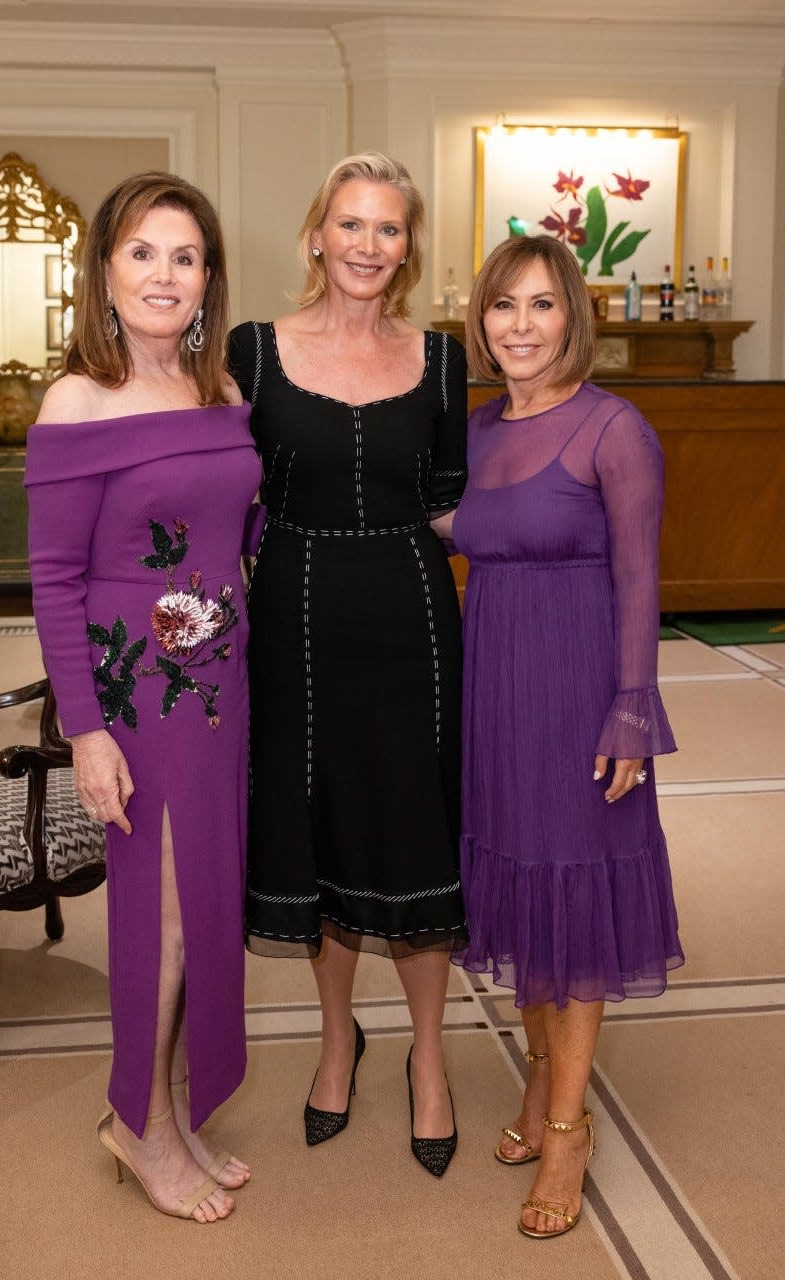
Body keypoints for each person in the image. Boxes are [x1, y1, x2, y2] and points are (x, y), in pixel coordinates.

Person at [24, 172, 262, 1222]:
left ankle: (167, 1100)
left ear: (207, 278)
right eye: (142, 253)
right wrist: (84, 729)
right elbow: (53, 579)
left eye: (185, 255)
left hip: (219, 687)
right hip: (135, 696)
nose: (164, 274)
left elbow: (236, 531)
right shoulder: (78, 396)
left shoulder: (219, 394)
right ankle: (138, 1124)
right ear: (105, 273)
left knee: (204, 909)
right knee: (162, 922)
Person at [228, 153, 467, 1176]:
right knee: (318, 822)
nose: (369, 245)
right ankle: (337, 1039)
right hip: (292, 612)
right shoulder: (251, 349)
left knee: (413, 826)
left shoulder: (446, 357)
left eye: (389, 228)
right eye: (351, 224)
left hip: (413, 609)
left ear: (408, 247)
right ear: (316, 234)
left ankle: (427, 1055)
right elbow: (218, 488)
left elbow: (456, 501)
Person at [453, 234, 683, 1237]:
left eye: (540, 305)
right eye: (503, 306)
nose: (519, 325)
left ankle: (567, 1125)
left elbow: (641, 578)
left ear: (571, 316)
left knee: (576, 896)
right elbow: (440, 526)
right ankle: (541, 1069)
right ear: (480, 320)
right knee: (518, 884)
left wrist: (632, 706)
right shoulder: (473, 429)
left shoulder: (615, 428)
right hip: (493, 684)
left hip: (581, 687)